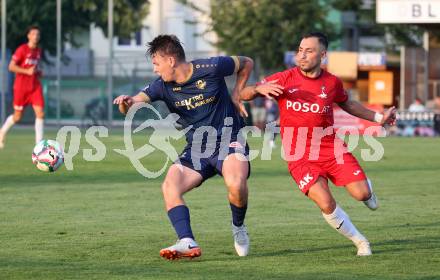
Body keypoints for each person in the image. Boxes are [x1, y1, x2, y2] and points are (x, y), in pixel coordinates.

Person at [239, 32, 396, 256]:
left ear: (322, 54)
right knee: (325, 201)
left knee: (361, 194)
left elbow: (348, 104)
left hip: (331, 148)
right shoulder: (285, 78)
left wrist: (380, 118)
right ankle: (360, 241)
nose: (302, 55)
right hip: (299, 155)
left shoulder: (332, 82)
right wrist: (256, 89)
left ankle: (368, 191)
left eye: (308, 50)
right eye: (300, 50)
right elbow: (244, 93)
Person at [113, 35, 254, 260]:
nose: (155, 69)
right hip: (197, 148)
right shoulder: (161, 86)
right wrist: (125, 102)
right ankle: (187, 241)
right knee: (170, 186)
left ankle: (238, 226)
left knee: (236, 185)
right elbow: (133, 103)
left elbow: (246, 62)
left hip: (229, 140)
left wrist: (237, 92)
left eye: (156, 63)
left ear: (170, 60)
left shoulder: (212, 67)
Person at [0, 25, 44, 149]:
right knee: (17, 116)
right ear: (28, 36)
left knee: (40, 113)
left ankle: (39, 145)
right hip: (21, 88)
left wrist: (39, 72)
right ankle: (2, 131)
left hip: (35, 87)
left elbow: (34, 68)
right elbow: (11, 67)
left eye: (38, 34)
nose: (36, 36)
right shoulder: (22, 50)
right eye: (33, 34)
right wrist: (26, 71)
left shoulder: (38, 51)